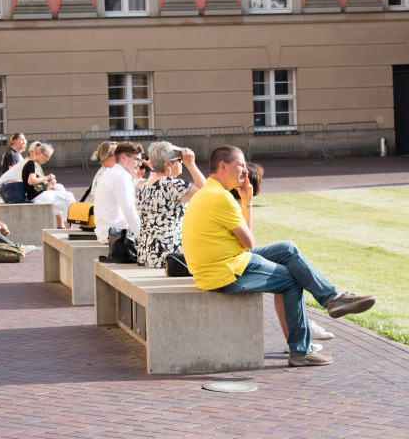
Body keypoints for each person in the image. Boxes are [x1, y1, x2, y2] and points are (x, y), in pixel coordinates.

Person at [182, 145, 375, 367]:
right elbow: (248, 242)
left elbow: (244, 244)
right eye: (241, 165)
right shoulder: (221, 198)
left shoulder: (207, 192)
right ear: (223, 166)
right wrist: (247, 204)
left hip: (218, 265)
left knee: (288, 248)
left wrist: (246, 201)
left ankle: (333, 299)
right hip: (225, 271)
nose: (245, 171)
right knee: (292, 280)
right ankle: (300, 351)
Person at [232, 162, 334, 349]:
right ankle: (304, 331)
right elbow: (246, 244)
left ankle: (327, 303)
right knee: (289, 274)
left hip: (231, 258)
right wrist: (247, 203)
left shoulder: (227, 200)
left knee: (288, 253)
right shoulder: (230, 205)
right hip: (231, 264)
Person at [136, 142, 206, 268]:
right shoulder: (172, 184)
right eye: (179, 159)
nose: (182, 162)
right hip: (170, 255)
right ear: (168, 164)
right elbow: (207, 194)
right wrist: (191, 165)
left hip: (149, 254)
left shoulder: (146, 185)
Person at [93, 141, 147, 244]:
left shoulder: (114, 172)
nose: (140, 164)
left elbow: (143, 183)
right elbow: (129, 211)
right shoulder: (121, 176)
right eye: (137, 160)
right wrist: (143, 237)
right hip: (115, 236)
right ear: (124, 157)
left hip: (108, 233)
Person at [21, 142, 76, 228]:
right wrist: (47, 177)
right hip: (36, 196)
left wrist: (49, 184)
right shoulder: (32, 163)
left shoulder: (36, 164)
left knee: (63, 196)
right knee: (69, 197)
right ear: (39, 153)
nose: (48, 159)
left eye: (49, 157)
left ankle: (65, 227)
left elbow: (38, 182)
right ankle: (72, 224)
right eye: (46, 156)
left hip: (38, 194)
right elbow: (31, 181)